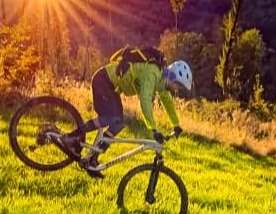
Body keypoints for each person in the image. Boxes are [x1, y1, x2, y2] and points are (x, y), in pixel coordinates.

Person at [61, 53, 194, 178]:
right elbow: (145, 101)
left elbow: (167, 101)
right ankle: (71, 137)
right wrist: (153, 129)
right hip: (104, 80)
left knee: (118, 123)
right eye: (178, 86)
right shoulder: (152, 73)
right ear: (172, 77)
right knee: (111, 118)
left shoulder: (162, 82)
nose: (177, 90)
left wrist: (176, 124)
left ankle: (92, 159)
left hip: (111, 86)